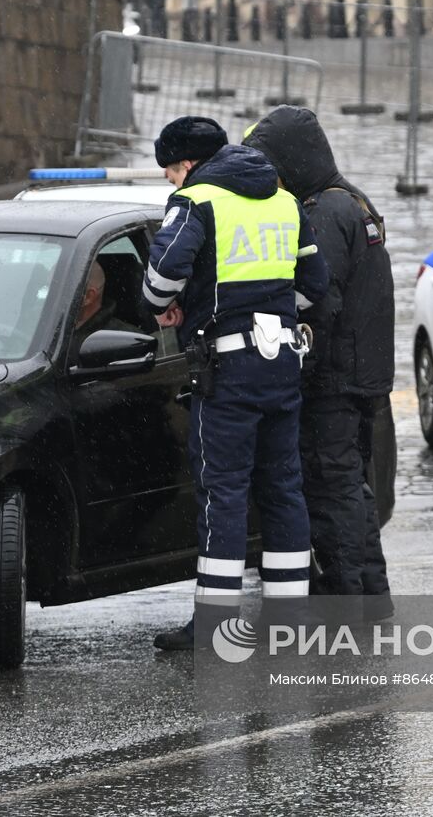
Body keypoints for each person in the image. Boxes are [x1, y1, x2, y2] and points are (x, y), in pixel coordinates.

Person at [141, 116, 329, 650]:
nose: (170, 182)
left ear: (187, 163)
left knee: (222, 493)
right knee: (282, 489)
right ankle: (290, 619)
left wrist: (184, 310)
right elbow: (313, 286)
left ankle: (217, 625)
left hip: (228, 371)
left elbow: (159, 284)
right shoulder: (284, 201)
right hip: (281, 363)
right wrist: (268, 313)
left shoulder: (196, 201)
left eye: (170, 170)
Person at [242, 106, 394, 623]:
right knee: (348, 484)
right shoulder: (351, 200)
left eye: (272, 163)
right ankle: (365, 593)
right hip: (356, 372)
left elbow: (317, 297)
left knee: (333, 487)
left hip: (333, 375)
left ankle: (350, 599)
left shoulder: (323, 211)